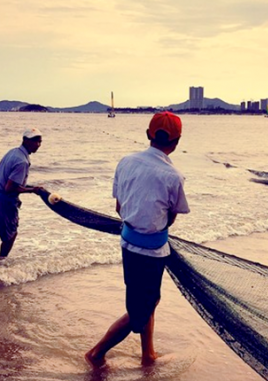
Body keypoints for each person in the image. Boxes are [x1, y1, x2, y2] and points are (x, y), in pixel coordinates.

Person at [85, 111, 190, 368]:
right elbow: (171, 219)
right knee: (140, 311)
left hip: (128, 244)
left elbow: (119, 207)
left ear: (147, 135)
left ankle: (148, 354)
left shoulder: (126, 162)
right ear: (176, 143)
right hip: (152, 251)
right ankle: (96, 353)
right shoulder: (173, 176)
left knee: (147, 299)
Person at [0, 128, 45, 258]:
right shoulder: (22, 161)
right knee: (11, 235)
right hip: (4, 201)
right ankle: (1, 261)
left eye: (40, 141)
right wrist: (33, 190)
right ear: (25, 140)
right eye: (34, 141)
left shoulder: (13, 152)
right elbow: (9, 188)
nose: (38, 144)